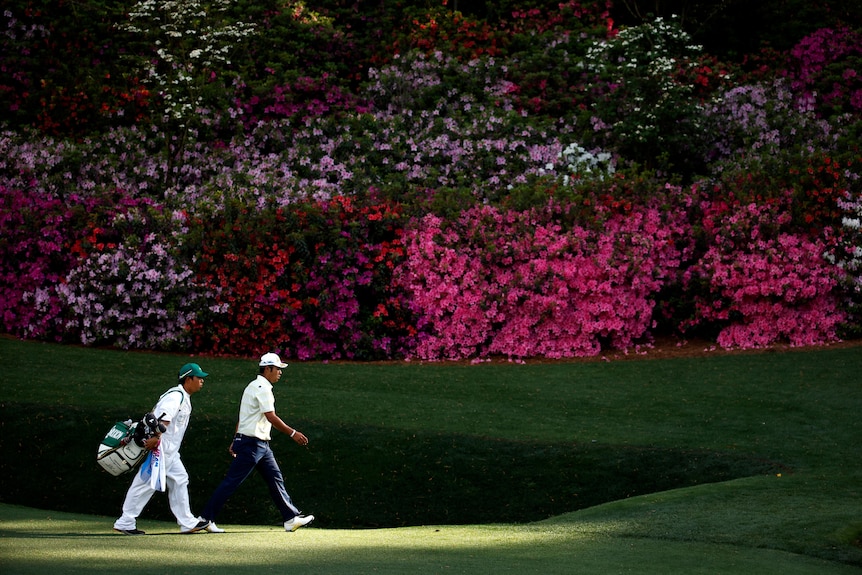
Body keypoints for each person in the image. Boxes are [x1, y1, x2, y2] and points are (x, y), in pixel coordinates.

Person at [200, 352, 314, 532]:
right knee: (232, 481)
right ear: (267, 369)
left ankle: (290, 518)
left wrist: (236, 437)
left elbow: (244, 416)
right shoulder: (263, 388)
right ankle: (206, 518)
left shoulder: (253, 385)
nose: (280, 372)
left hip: (259, 445)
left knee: (275, 478)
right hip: (252, 444)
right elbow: (271, 417)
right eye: (277, 369)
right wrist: (293, 433)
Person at [113, 363, 214, 535]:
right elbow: (160, 420)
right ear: (188, 379)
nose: (202, 381)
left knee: (180, 479)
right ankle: (125, 521)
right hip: (162, 449)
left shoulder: (182, 396)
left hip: (170, 451)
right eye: (199, 378)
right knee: (145, 484)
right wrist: (156, 438)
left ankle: (187, 522)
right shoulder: (175, 396)